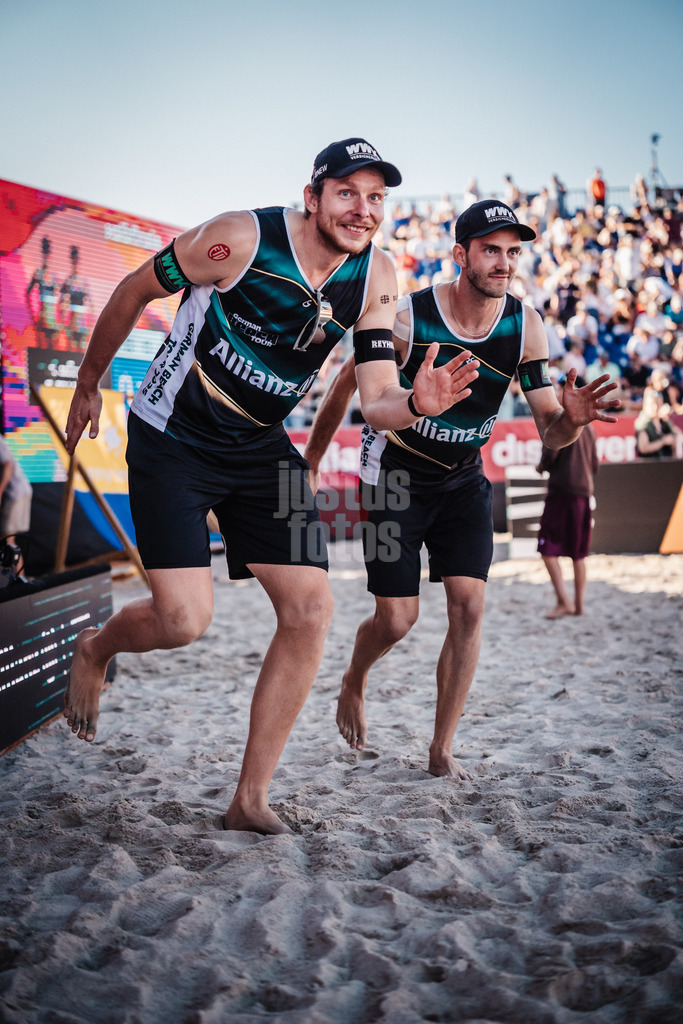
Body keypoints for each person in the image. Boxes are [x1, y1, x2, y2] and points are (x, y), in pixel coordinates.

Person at [61, 138, 479, 835]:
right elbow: (136, 288)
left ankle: (247, 798)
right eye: (348, 192)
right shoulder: (237, 238)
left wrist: (414, 404)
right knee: (183, 622)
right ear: (313, 196)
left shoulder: (376, 275)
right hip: (172, 437)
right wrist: (84, 383)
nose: (363, 209)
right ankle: (96, 649)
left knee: (311, 607)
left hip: (259, 448)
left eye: (376, 197)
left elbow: (375, 396)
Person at [305, 199, 619, 778]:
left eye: (512, 251)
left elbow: (551, 428)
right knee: (397, 620)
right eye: (491, 250)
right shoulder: (408, 318)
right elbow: (351, 385)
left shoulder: (525, 325)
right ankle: (354, 675)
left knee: (469, 608)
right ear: (461, 255)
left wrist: (571, 419)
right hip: (394, 475)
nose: (504, 262)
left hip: (462, 477)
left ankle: (441, 748)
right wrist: (314, 457)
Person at [536, 375, 599, 619]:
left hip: (562, 492)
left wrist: (540, 467)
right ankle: (579, 605)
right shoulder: (591, 428)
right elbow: (594, 465)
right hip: (584, 491)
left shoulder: (561, 421)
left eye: (562, 386)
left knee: (547, 548)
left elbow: (549, 457)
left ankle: (564, 600)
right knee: (579, 553)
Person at [0, 435, 33, 578]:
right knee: (7, 540)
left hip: (15, 493)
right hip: (17, 492)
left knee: (8, 539)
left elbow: (8, 465)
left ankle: (20, 580)